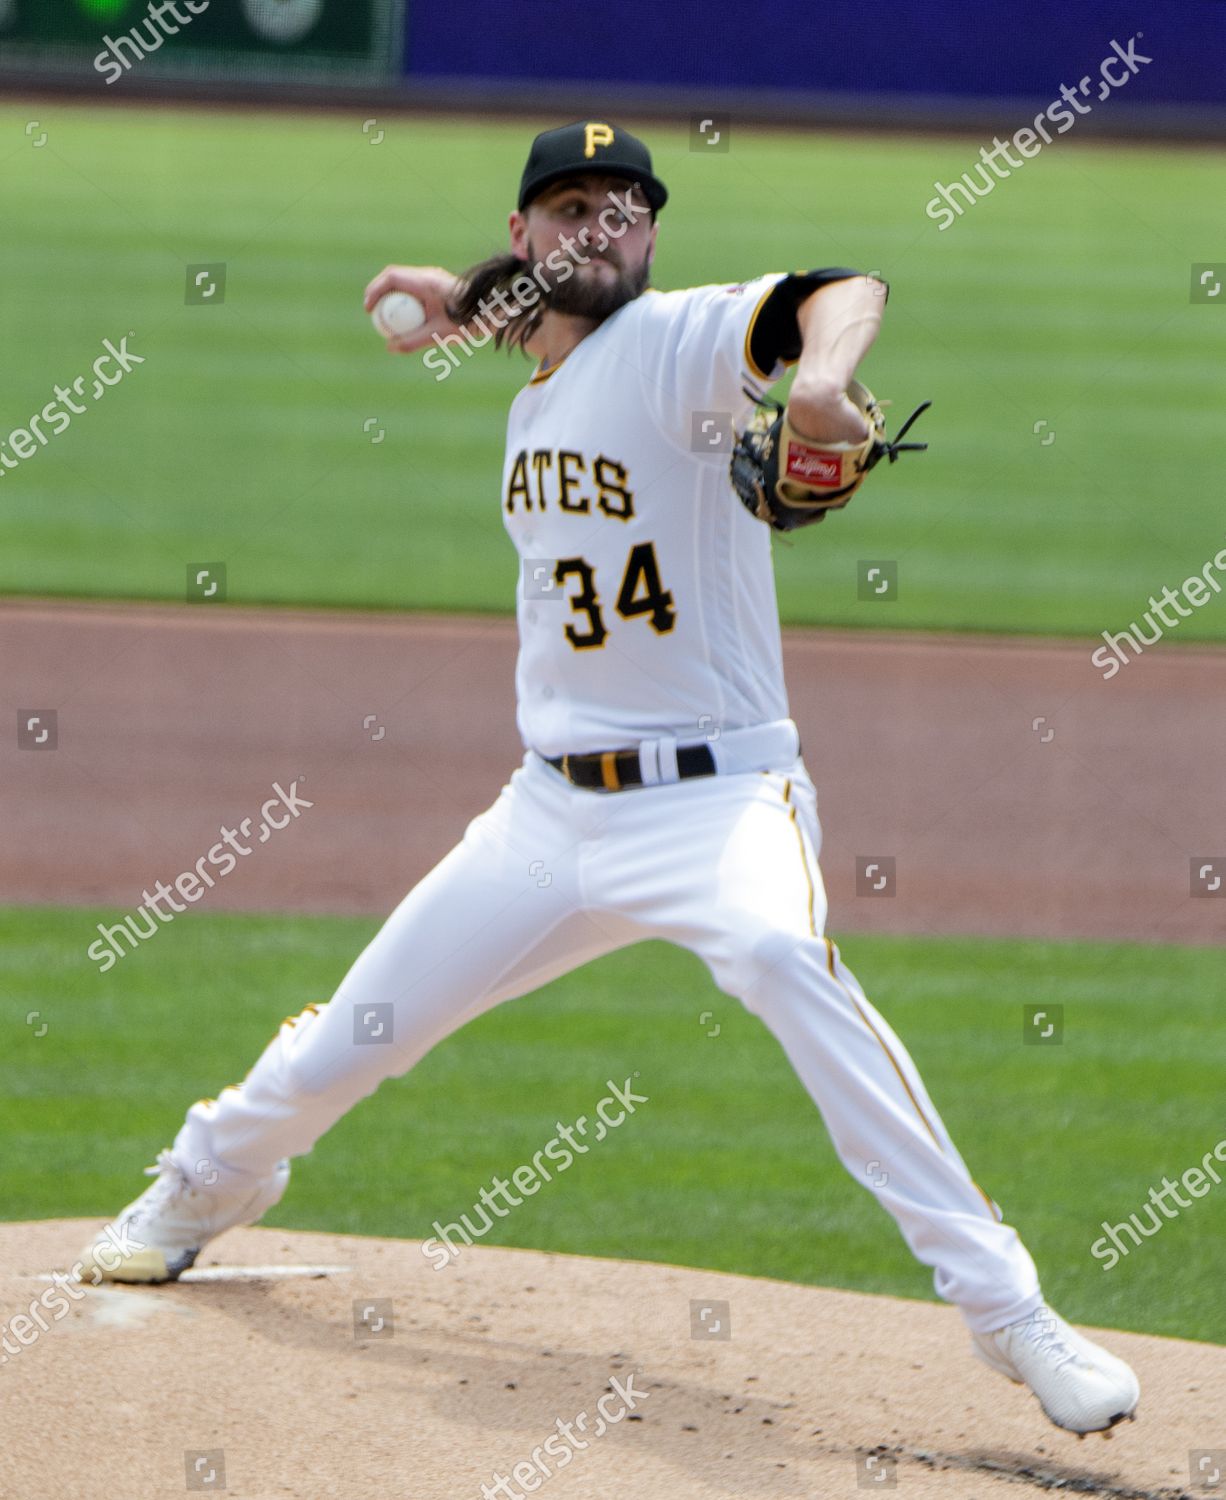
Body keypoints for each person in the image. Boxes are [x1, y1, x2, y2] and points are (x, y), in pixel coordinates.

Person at [80, 121, 1138, 1436]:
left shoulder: (678, 341)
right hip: (547, 813)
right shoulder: (540, 368)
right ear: (527, 234)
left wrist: (815, 389)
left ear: (651, 239)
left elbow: (840, 293)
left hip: (717, 805)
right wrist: (447, 302)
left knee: (778, 958)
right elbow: (530, 309)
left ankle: (1005, 1310)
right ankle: (194, 1192)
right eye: (569, 205)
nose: (601, 226)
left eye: (626, 208)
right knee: (362, 1030)